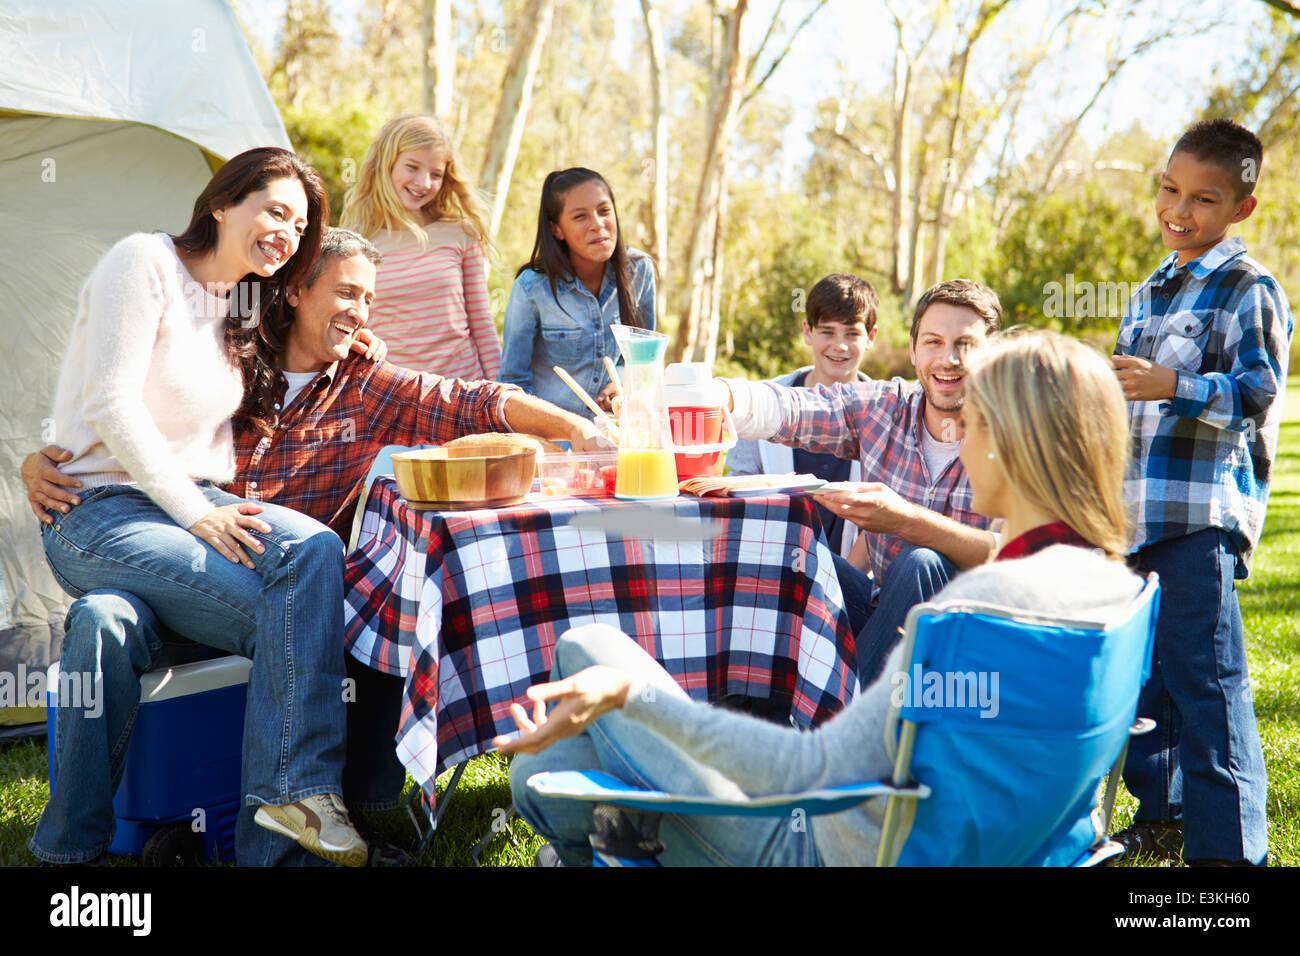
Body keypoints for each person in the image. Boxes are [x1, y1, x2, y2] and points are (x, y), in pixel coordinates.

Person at [26, 227, 610, 867]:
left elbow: (475, 401)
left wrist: (577, 426)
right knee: (125, 613)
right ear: (297, 289)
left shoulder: (369, 386)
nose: (360, 312)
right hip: (180, 571)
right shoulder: (221, 357)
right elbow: (114, 409)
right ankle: (85, 848)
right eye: (346, 292)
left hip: (266, 594)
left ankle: (243, 841)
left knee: (119, 612)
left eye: (368, 300)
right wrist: (42, 461)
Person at [500, 331, 1144, 867]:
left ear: (1009, 447)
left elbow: (804, 769)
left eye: (971, 426)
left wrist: (627, 696)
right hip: (993, 843)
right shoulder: (1115, 590)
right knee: (582, 676)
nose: (962, 443)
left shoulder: (972, 615)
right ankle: (580, 845)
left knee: (555, 729)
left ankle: (580, 845)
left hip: (810, 847)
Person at [1111, 119, 1291, 867]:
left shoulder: (1251, 288)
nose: (1179, 212)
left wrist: (1172, 384)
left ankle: (1228, 859)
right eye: (1169, 189)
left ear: (1241, 209)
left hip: (1198, 519)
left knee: (1208, 687)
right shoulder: (1149, 290)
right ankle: (1163, 812)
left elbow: (1258, 392)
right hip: (1135, 518)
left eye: (1204, 200)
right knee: (1147, 679)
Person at [720, 279, 1002, 684]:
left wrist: (905, 520)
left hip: (974, 639)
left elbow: (1013, 555)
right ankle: (753, 697)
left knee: (921, 562)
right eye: (933, 342)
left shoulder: (1017, 432)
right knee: (792, 550)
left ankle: (844, 729)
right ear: (913, 349)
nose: (948, 359)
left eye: (966, 345)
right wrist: (721, 393)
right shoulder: (885, 407)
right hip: (888, 617)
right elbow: (792, 408)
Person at [727, 273, 878, 562]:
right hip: (772, 564)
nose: (840, 345)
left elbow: (885, 521)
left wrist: (848, 581)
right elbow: (738, 491)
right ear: (807, 331)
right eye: (828, 332)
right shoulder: (762, 403)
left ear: (870, 337)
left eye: (852, 333)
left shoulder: (886, 412)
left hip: (852, 577)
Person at [339, 114, 501, 380]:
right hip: (391, 394)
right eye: (412, 167)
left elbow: (482, 324)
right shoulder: (357, 241)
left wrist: (497, 391)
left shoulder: (461, 232)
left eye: (435, 174)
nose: (424, 183)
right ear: (386, 163)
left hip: (462, 391)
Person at [499, 168, 656, 419]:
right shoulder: (531, 287)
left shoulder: (639, 270)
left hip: (615, 433)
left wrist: (624, 383)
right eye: (580, 217)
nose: (597, 224)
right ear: (557, 230)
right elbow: (513, 383)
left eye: (604, 211)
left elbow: (645, 362)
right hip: (553, 441)